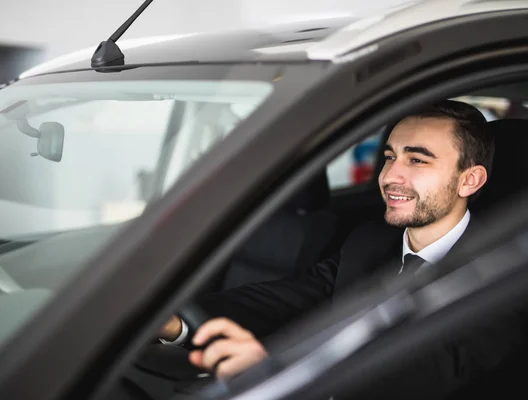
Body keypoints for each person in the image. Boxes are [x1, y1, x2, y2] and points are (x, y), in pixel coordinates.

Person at [159, 100, 503, 394]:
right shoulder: (368, 242)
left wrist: (289, 377)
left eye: (417, 160)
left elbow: (451, 379)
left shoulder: (503, 272)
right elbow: (282, 300)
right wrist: (176, 322)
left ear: (469, 180)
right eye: (389, 156)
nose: (388, 176)